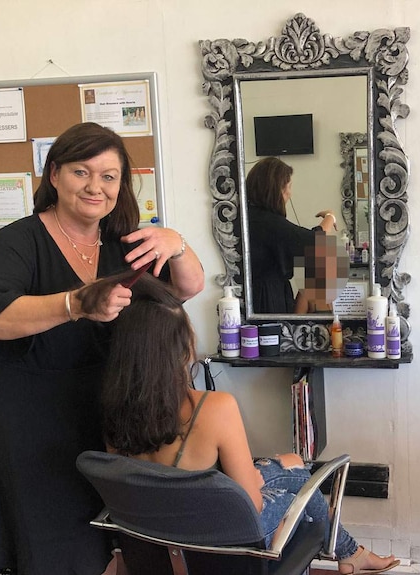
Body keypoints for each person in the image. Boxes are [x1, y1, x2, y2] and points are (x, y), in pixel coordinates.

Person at [0, 122, 205, 575]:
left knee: (102, 534)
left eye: (109, 176)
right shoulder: (21, 239)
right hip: (28, 414)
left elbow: (186, 288)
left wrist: (177, 245)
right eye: (81, 172)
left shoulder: (122, 241)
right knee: (47, 537)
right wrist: (74, 303)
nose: (96, 186)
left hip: (101, 407)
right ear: (54, 175)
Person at [95, 271, 399, 575]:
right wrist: (253, 479)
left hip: (155, 540)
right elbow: (251, 508)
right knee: (300, 486)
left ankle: (351, 552)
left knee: (291, 464)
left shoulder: (110, 410)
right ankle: (347, 553)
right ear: (181, 349)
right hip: (221, 544)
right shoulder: (214, 408)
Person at [245, 156, 337, 313]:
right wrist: (330, 217)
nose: (289, 194)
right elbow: (315, 242)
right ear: (276, 190)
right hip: (266, 301)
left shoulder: (250, 217)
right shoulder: (268, 222)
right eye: (288, 187)